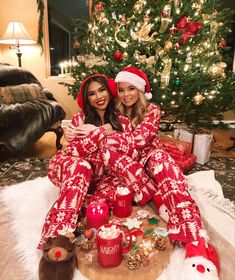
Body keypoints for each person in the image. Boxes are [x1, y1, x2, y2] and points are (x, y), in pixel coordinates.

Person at [38, 74, 131, 248]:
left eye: (102, 90)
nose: (99, 97)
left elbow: (123, 152)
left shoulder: (123, 121)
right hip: (75, 169)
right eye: (92, 93)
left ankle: (76, 206)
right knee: (81, 166)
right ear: (87, 99)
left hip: (102, 177)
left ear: (110, 92)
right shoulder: (79, 120)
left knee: (113, 195)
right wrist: (99, 132)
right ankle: (58, 238)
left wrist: (97, 132)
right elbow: (74, 152)